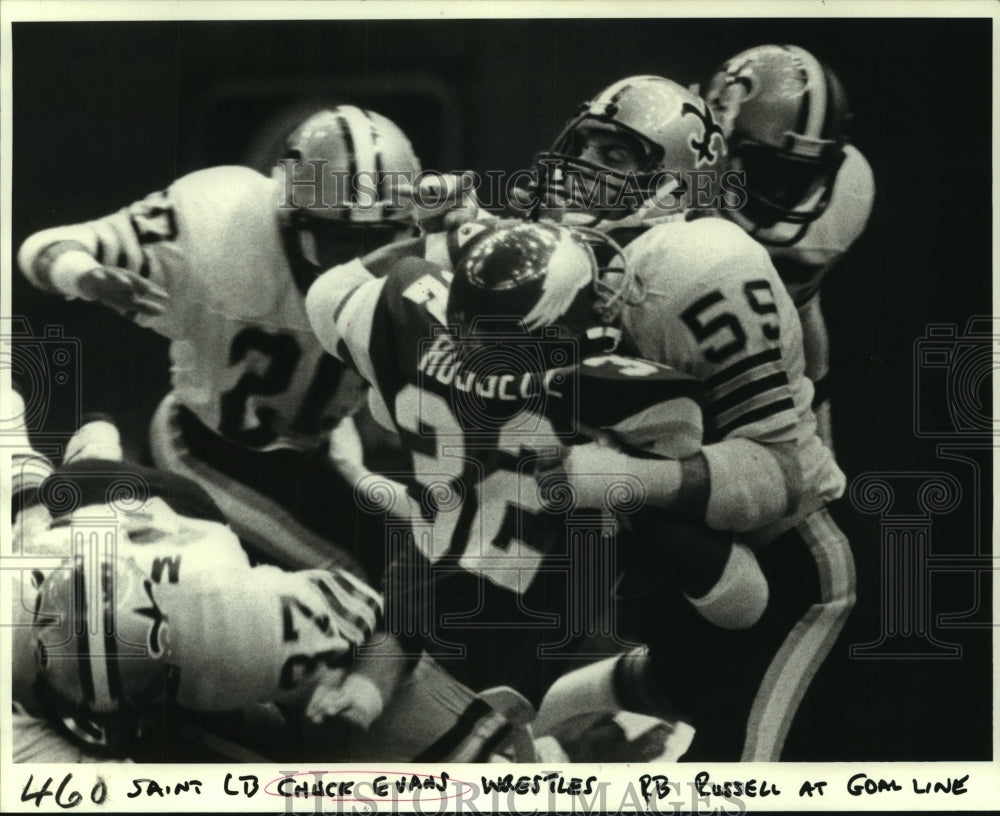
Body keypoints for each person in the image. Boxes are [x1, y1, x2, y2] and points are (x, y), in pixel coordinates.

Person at [304, 220, 769, 761]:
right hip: (499, 682)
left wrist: (446, 239)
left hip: (429, 611)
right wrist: (645, 488)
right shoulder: (624, 402)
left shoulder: (414, 310)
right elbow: (745, 599)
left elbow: (327, 297)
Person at [523, 75, 856, 761]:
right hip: (686, 589)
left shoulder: (695, 267)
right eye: (582, 147)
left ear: (672, 186)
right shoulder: (551, 263)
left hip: (793, 569)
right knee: (546, 719)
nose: (583, 171)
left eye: (615, 158)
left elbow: (778, 474)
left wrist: (620, 477)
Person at [16, 106, 423, 576]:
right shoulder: (221, 221)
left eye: (380, 239)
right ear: (291, 221)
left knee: (436, 550)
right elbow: (44, 248)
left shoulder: (424, 245)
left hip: (323, 448)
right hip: (209, 450)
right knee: (384, 573)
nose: (358, 260)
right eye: (336, 238)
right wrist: (84, 275)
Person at [7, 390, 382, 762]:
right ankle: (90, 448)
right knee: (29, 507)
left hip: (171, 506)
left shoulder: (230, 622)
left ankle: (94, 452)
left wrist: (338, 694)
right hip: (60, 531)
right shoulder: (11, 610)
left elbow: (366, 602)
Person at [703, 44, 876, 449]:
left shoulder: (848, 192)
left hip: (777, 358)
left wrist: (819, 430)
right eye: (768, 172)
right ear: (716, 145)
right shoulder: (677, 178)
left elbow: (801, 304)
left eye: (800, 177)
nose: (782, 195)